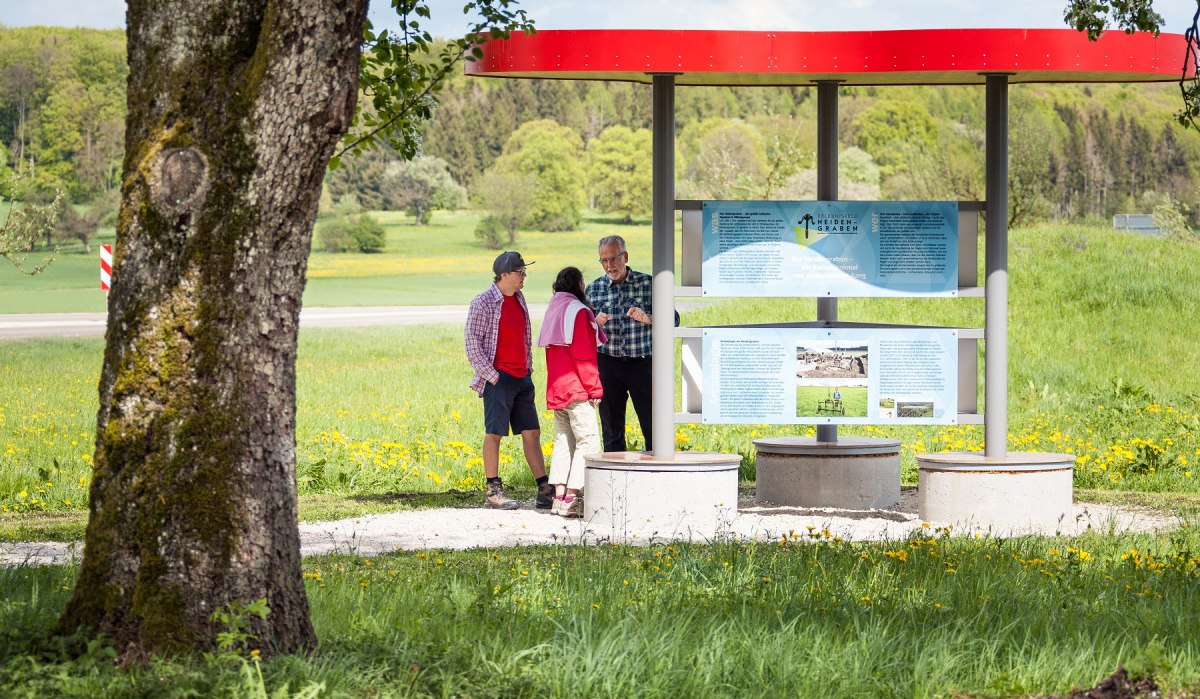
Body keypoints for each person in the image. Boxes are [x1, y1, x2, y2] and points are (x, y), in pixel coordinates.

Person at [465, 251, 553, 509]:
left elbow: (523, 337)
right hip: (498, 378)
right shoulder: (483, 302)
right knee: (495, 433)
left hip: (522, 376)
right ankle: (493, 491)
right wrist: (493, 377)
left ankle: (544, 490)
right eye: (520, 272)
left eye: (524, 271)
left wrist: (527, 369)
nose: (524, 275)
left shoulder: (519, 298)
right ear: (504, 275)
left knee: (532, 432)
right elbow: (472, 344)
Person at [586, 235, 679, 452]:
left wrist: (648, 318)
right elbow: (583, 334)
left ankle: (657, 467)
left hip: (642, 364)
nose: (609, 265)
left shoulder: (649, 284)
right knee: (611, 428)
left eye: (614, 258)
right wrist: (594, 324)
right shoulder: (593, 289)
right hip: (607, 364)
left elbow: (674, 319)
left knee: (652, 424)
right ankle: (614, 470)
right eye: (604, 260)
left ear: (625, 257)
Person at [537, 267, 605, 518]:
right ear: (579, 284)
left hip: (557, 387)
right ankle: (573, 497)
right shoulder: (579, 310)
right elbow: (584, 356)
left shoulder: (554, 308)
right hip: (577, 388)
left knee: (563, 441)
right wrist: (595, 388)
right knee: (588, 441)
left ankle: (558, 496)